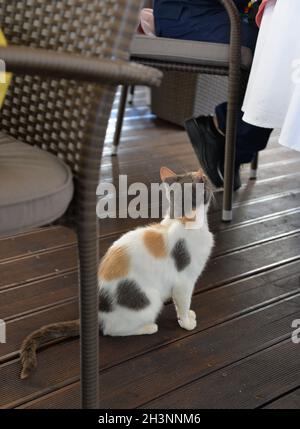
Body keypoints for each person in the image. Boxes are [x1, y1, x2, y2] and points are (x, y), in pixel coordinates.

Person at [153, 0, 273, 190]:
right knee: (275, 50)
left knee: (283, 47)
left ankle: (225, 137)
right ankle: (228, 138)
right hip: (186, 12)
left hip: (222, 11)